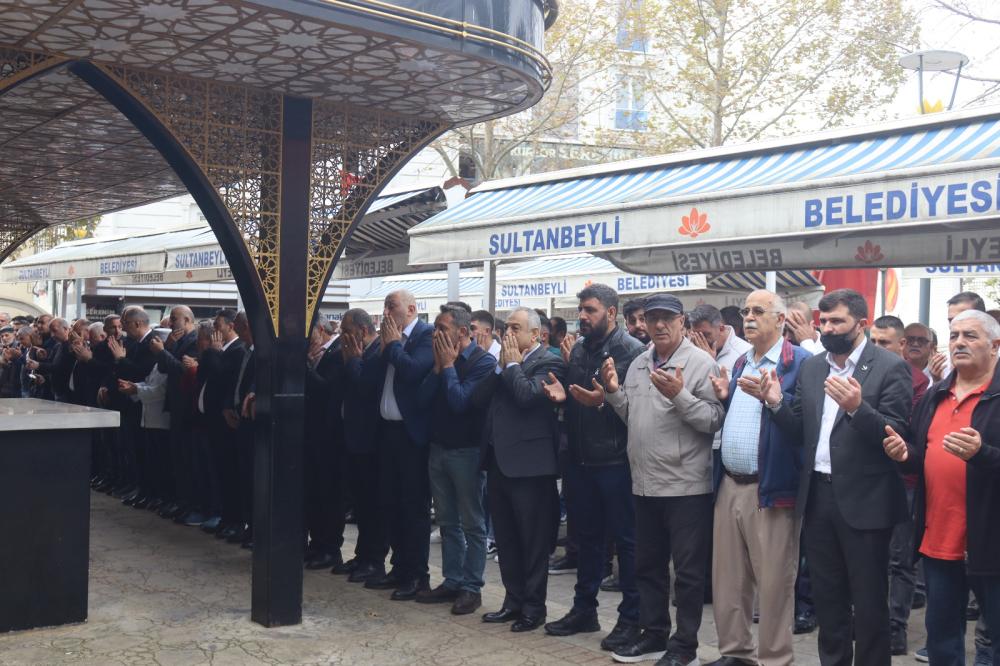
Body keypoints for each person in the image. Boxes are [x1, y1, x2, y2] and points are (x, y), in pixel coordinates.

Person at [762, 289, 912, 666]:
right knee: (828, 601)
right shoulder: (814, 367)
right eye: (823, 321)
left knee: (869, 603)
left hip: (866, 502)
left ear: (861, 324)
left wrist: (857, 409)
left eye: (837, 321)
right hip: (818, 498)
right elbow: (801, 431)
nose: (827, 328)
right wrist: (776, 403)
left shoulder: (889, 366)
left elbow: (895, 434)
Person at [602, 293, 725, 665]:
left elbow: (713, 420)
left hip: (686, 486)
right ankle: (654, 634)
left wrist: (680, 396)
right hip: (644, 483)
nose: (658, 325)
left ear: (681, 322)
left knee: (687, 574)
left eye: (666, 319)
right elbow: (634, 416)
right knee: (648, 567)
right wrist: (613, 393)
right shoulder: (640, 362)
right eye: (651, 318)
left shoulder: (701, 363)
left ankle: (685, 646)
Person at [884, 308, 1000, 666]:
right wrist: (905, 454)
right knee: (942, 642)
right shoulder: (936, 395)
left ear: (995, 345)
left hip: (991, 542)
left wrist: (983, 454)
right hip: (939, 540)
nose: (959, 343)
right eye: (954, 336)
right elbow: (923, 455)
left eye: (970, 336)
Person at [706, 291, 810, 666]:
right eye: (746, 311)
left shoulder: (801, 363)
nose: (748, 317)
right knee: (728, 578)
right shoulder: (741, 362)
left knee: (774, 582)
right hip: (730, 483)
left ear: (781, 320)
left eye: (758, 311)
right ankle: (736, 652)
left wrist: (776, 401)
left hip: (771, 489)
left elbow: (805, 429)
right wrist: (725, 397)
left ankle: (775, 659)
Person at [540, 284, 645, 650]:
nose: (582, 316)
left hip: (617, 461)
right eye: (581, 310)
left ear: (611, 313)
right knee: (586, 539)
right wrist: (563, 401)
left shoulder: (632, 351)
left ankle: (631, 619)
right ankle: (584, 609)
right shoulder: (581, 349)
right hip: (581, 460)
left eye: (590, 310)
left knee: (627, 543)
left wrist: (604, 401)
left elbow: (636, 410)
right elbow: (578, 398)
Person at [478, 306, 566, 632]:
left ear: (536, 334)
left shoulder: (549, 362)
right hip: (499, 463)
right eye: (507, 328)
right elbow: (479, 397)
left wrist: (513, 365)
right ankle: (512, 601)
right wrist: (501, 366)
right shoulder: (503, 362)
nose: (508, 334)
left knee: (533, 541)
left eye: (516, 328)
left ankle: (533, 607)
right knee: (507, 539)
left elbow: (527, 396)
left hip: (531, 467)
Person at [415, 304, 495, 614]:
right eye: (435, 327)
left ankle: (471, 587)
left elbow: (461, 402)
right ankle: (452, 580)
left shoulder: (482, 362)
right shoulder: (440, 359)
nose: (435, 334)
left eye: (442, 328)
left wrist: (448, 367)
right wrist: (438, 369)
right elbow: (421, 400)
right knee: (447, 521)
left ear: (462, 332)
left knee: (472, 523)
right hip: (438, 449)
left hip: (467, 452)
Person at [362, 290, 435, 601]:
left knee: (413, 507)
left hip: (412, 436)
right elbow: (370, 377)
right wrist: (383, 347)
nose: (386, 313)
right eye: (384, 307)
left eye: (391, 306)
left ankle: (417, 574)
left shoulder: (425, 335)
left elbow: (413, 370)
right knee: (389, 502)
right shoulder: (388, 339)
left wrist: (392, 345)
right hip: (387, 432)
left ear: (412, 309)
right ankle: (399, 567)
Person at [869, 314, 930, 654]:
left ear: (902, 345)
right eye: (873, 342)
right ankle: (871, 619)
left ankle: (896, 627)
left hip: (905, 479)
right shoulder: (862, 374)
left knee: (900, 559)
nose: (877, 348)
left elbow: (911, 432)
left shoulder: (918, 382)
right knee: (870, 555)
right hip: (869, 477)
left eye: (885, 342)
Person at [339, 308, 388, 583]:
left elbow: (364, 386)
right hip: (354, 437)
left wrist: (353, 361)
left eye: (347, 331)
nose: (344, 336)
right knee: (360, 503)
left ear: (363, 330)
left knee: (372, 504)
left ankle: (374, 559)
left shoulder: (376, 352)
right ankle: (362, 554)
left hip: (371, 440)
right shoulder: (355, 353)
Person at [196, 309, 246, 534]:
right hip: (211, 420)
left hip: (225, 421)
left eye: (218, 326)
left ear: (231, 327)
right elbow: (204, 376)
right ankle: (226, 517)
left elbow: (223, 377)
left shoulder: (237, 350)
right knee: (217, 471)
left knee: (229, 472)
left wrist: (213, 353)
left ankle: (233, 518)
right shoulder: (220, 350)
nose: (215, 330)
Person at [304, 315, 346, 570]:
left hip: (330, 436)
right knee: (315, 492)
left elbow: (325, 390)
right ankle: (317, 542)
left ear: (320, 329)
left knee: (329, 494)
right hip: (312, 434)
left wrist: (306, 368)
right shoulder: (316, 354)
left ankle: (330, 547)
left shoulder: (337, 353)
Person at [149, 306, 199, 521]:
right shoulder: (177, 340)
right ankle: (180, 501)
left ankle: (189, 503)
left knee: (186, 459)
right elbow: (163, 369)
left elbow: (182, 370)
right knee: (176, 458)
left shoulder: (195, 341)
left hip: (187, 406)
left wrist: (163, 352)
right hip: (176, 406)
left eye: (174, 319)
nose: (170, 323)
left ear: (187, 320)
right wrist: (167, 348)